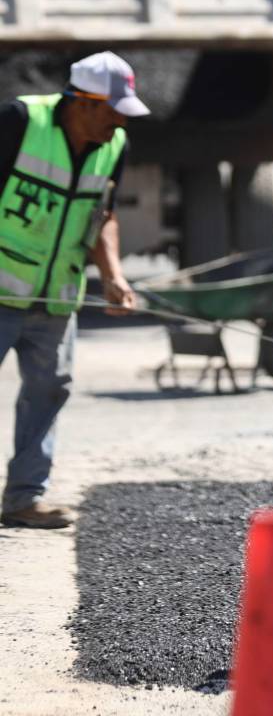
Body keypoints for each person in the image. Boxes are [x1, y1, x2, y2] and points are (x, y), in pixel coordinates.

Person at [0, 51, 145, 529]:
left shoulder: (114, 144)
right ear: (82, 102)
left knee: (49, 391)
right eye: (113, 109)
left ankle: (24, 497)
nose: (120, 120)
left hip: (57, 293)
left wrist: (114, 275)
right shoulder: (20, 122)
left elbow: (103, 214)